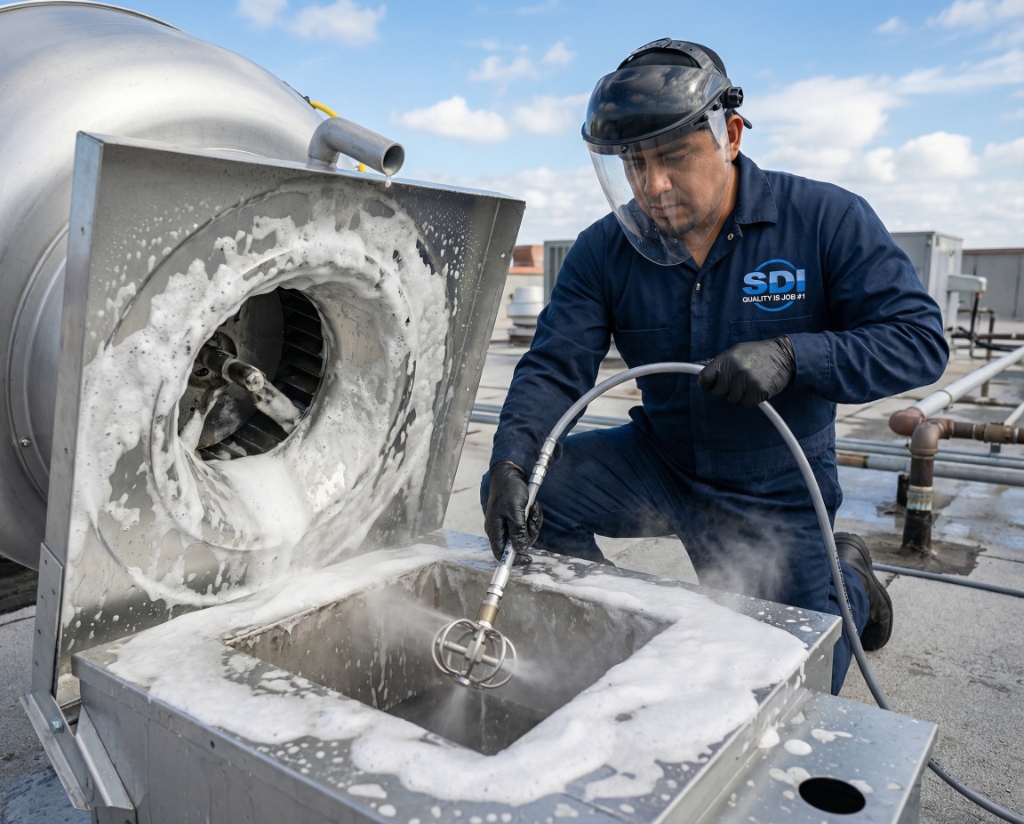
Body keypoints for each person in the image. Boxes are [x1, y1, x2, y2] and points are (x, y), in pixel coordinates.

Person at [480, 38, 949, 695]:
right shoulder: (604, 250)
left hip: (777, 482)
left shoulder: (824, 219)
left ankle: (850, 582)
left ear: (729, 135)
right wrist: (511, 461)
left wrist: (794, 356)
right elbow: (555, 366)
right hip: (662, 461)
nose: (653, 186)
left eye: (673, 157)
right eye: (634, 164)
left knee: (795, 686)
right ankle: (622, 636)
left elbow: (918, 340)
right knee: (531, 493)